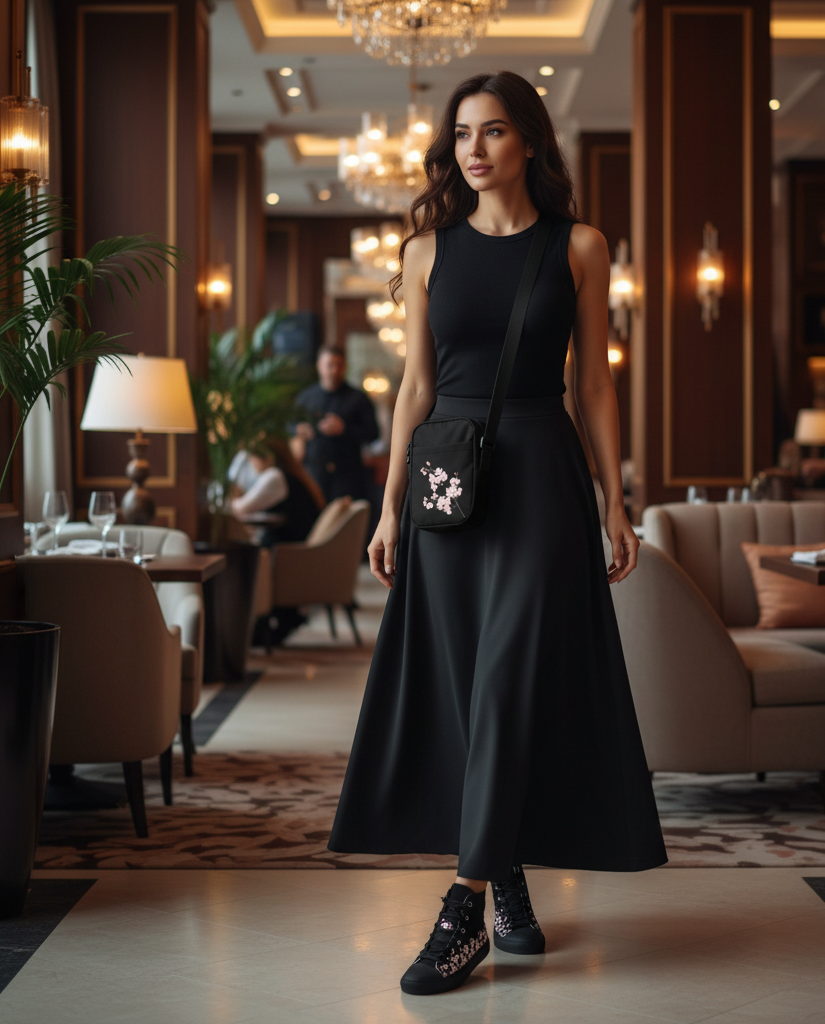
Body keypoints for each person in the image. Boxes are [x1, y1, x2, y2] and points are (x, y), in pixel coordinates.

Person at [327, 71, 666, 996]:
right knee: (468, 689)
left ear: (529, 145)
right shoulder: (427, 251)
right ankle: (507, 868)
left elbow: (593, 384)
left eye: (495, 132)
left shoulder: (581, 246)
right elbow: (417, 389)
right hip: (446, 482)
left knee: (512, 674)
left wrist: (613, 498)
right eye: (463, 134)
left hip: (544, 477)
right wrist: (390, 505)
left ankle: (463, 908)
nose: (473, 149)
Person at [231, 436, 325, 643]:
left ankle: (256, 622)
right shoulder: (293, 474)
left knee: (247, 554)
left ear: (268, 458)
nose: (252, 465)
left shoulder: (275, 476)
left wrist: (232, 492)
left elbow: (240, 509)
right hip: (296, 546)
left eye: (253, 458)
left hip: (288, 550)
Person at [294, 346, 380, 500]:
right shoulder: (306, 397)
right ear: (319, 366)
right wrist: (298, 430)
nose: (334, 370)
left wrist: (344, 429)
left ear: (344, 367)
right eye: (330, 365)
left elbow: (373, 433)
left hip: (347, 475)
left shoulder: (358, 398)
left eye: (338, 365)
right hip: (314, 472)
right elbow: (289, 424)